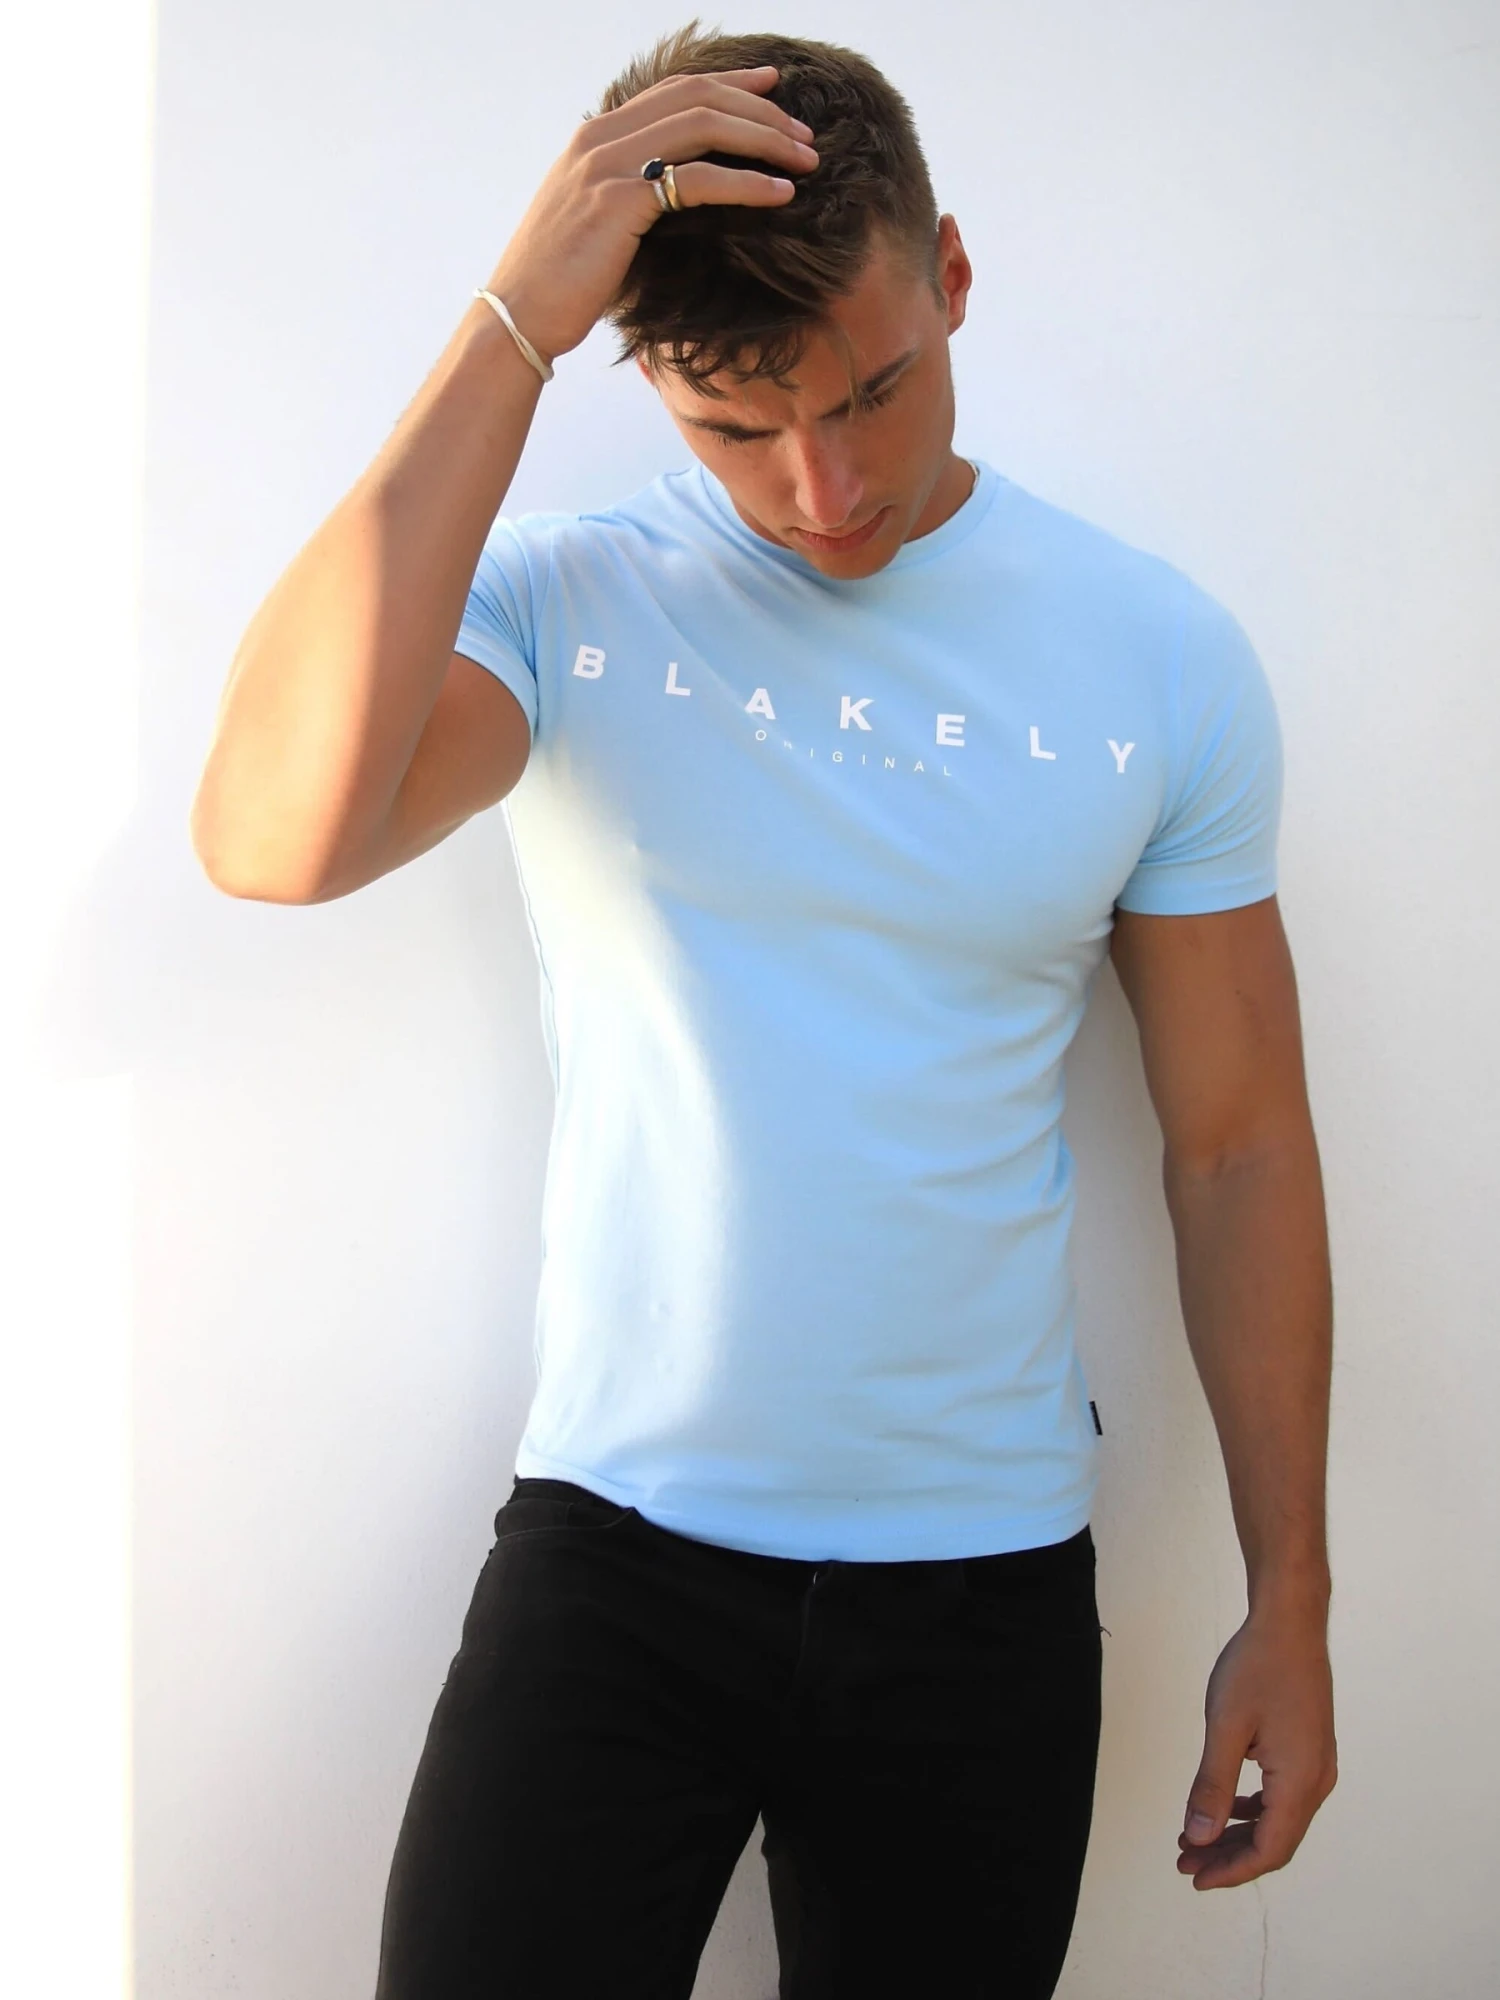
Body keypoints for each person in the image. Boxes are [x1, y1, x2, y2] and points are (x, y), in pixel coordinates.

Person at [190, 21, 1337, 2000]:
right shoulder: (565, 605)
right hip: (618, 1560)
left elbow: (1237, 1147)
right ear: (644, 374)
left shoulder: (1157, 655)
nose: (825, 488)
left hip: (979, 1594)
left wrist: (1293, 1595)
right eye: (737, 427)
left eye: (874, 391)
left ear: (951, 277)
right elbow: (272, 838)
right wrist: (511, 320)